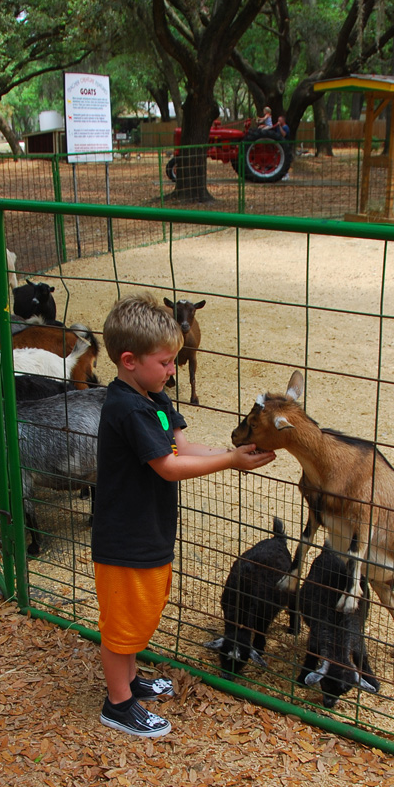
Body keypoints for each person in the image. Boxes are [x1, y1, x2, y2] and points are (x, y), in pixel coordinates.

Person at [91, 293, 276, 738]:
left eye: (175, 360)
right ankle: (118, 703)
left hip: (148, 528)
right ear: (130, 360)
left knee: (143, 611)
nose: (174, 369)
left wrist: (234, 452)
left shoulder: (153, 397)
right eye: (167, 362)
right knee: (123, 622)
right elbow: (169, 466)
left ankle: (130, 680)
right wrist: (230, 461)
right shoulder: (127, 407)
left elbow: (182, 447)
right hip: (124, 537)